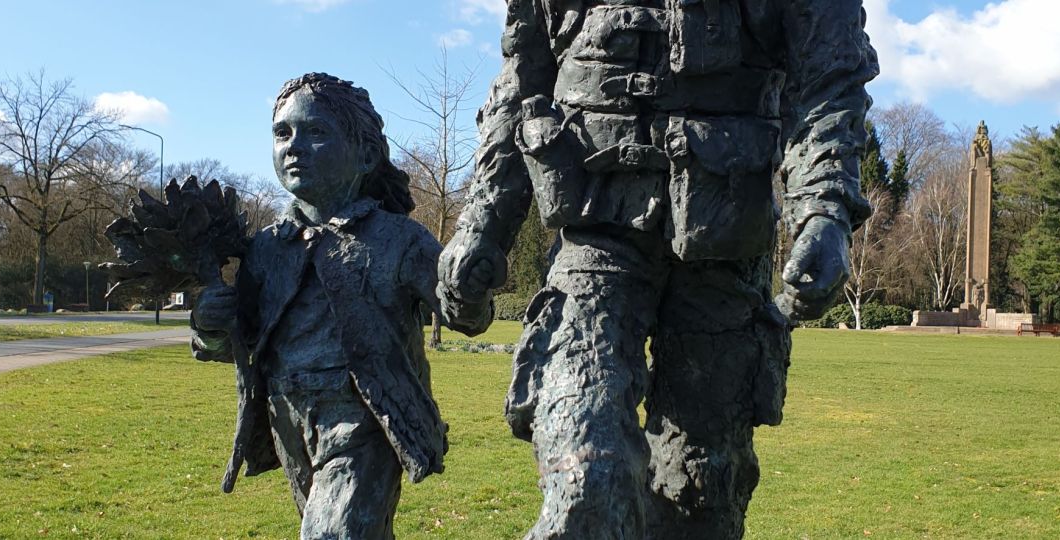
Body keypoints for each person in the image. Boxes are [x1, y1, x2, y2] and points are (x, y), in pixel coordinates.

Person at [437, 1, 878, 539]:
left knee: (701, 491)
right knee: (586, 474)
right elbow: (522, 81)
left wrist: (825, 208)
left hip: (724, 244)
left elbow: (830, 78)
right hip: (594, 238)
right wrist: (481, 224)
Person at [191, 73, 490, 539]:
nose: (294, 146)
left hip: (366, 419)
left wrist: (468, 282)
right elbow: (239, 341)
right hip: (288, 419)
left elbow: (466, 316)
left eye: (316, 132)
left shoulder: (399, 239)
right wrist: (209, 326)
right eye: (282, 133)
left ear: (366, 155)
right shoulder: (266, 248)